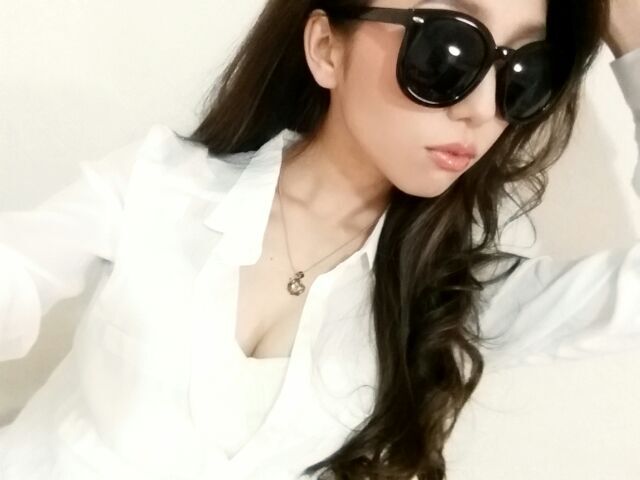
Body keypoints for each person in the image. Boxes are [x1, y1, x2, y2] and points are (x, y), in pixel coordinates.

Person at [0, 0, 639, 478]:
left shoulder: (452, 295)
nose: (483, 108)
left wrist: (632, 33)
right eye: (448, 50)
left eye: (524, 71)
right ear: (327, 48)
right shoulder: (156, 185)